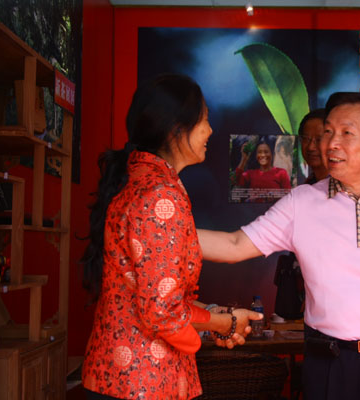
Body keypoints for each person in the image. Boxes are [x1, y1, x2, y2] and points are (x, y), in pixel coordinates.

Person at [197, 92, 360, 400]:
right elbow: (234, 244)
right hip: (330, 364)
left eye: (346, 133)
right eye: (328, 132)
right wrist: (162, 231)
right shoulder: (301, 203)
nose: (331, 144)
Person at [80, 74, 262, 400]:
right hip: (143, 380)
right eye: (204, 120)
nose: (210, 131)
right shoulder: (160, 195)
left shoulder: (141, 180)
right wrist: (223, 324)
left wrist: (217, 315)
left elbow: (157, 292)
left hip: (121, 376)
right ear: (176, 128)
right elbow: (162, 312)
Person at [298, 108, 329, 183]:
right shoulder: (309, 183)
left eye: (319, 140)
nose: (311, 147)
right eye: (306, 139)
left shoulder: (346, 186)